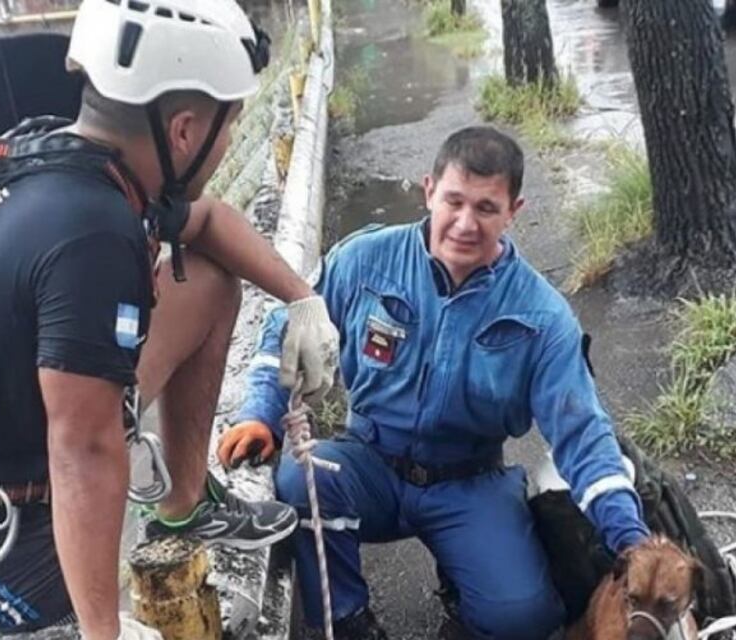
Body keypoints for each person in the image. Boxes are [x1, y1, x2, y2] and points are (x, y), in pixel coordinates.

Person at [0, 0, 339, 638]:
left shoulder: (81, 160)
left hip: (16, 427)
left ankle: (183, 505)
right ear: (184, 132)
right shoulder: (92, 230)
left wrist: (302, 299)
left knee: (210, 283)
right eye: (230, 125)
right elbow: (84, 449)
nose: (229, 143)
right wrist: (105, 631)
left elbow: (209, 221)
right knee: (76, 613)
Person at [217, 126, 651, 640]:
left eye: (486, 208)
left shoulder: (543, 316)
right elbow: (285, 327)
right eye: (454, 201)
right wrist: (260, 413)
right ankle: (349, 619)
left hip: (469, 482)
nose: (465, 224)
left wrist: (631, 540)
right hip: (370, 463)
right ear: (429, 191)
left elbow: (582, 434)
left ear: (513, 211)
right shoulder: (364, 260)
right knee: (302, 478)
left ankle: (465, 600)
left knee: (523, 619)